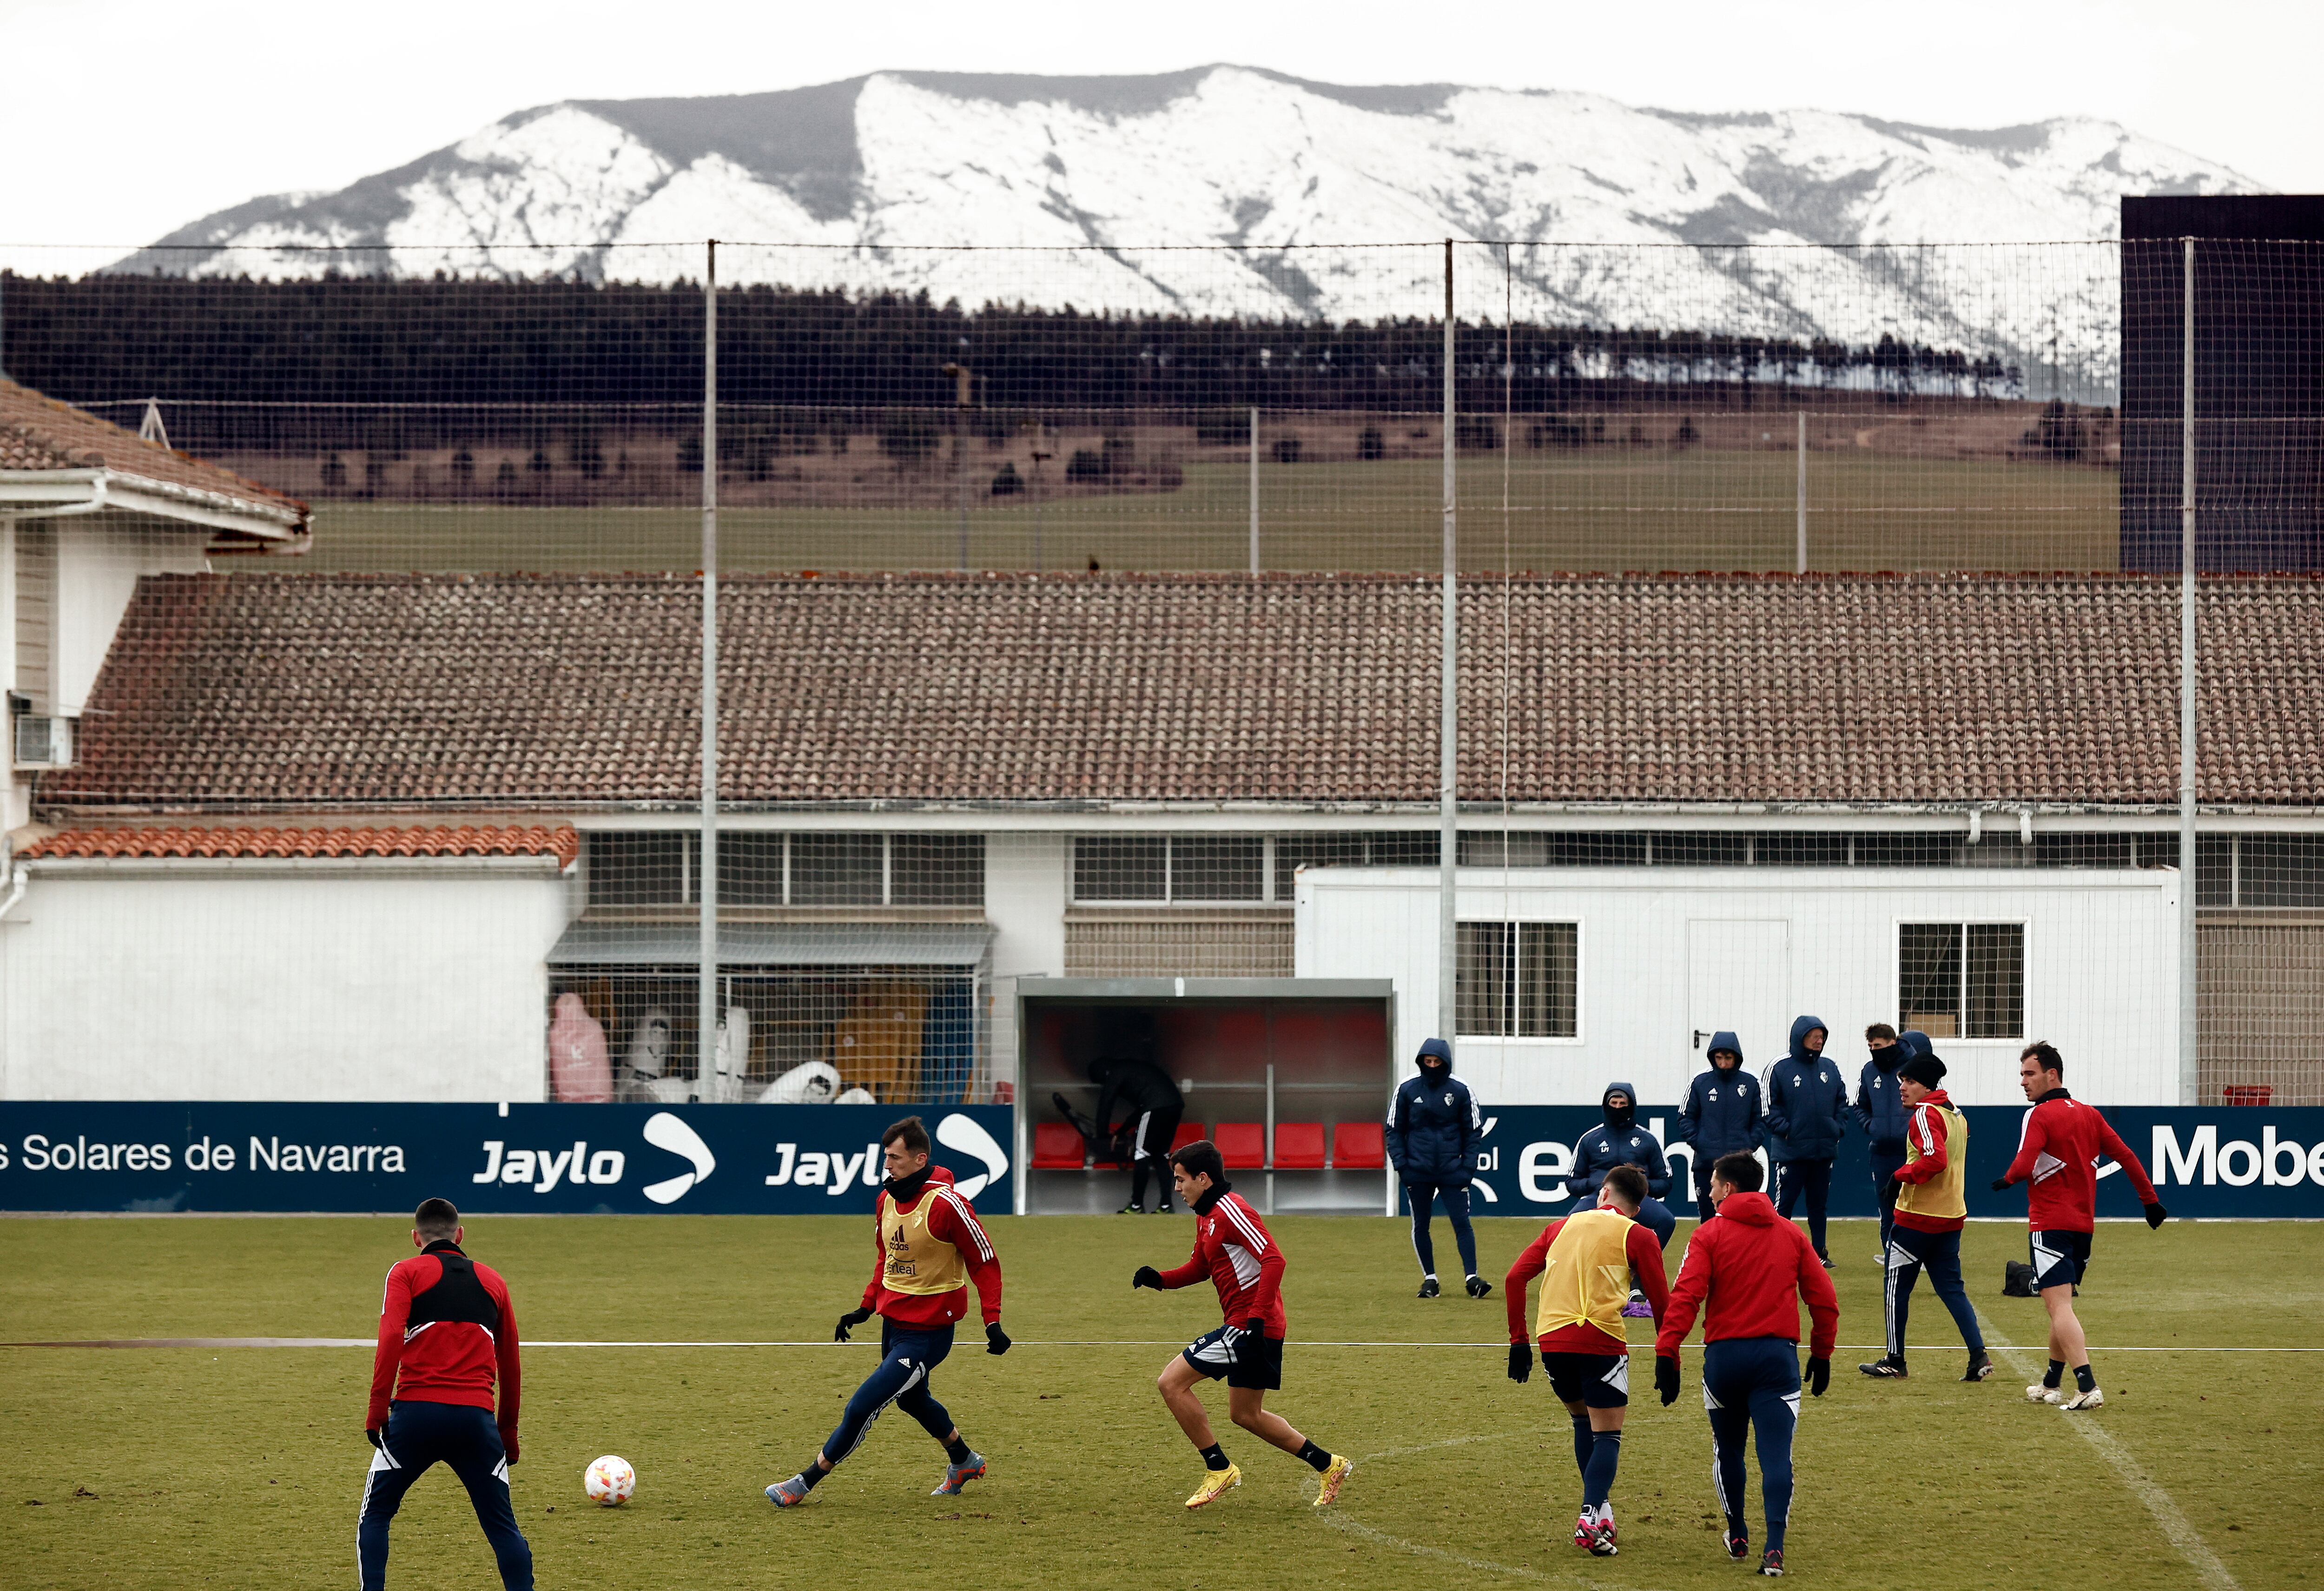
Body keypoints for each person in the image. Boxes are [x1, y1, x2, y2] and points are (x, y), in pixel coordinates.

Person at [767, 1117, 1008, 1506]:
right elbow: (887, 1257)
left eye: (895, 1158)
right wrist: (865, 1307)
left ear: (920, 1159)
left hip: (929, 1334)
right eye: (886, 1157)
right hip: (894, 1323)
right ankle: (964, 1461)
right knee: (912, 1399)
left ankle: (803, 1483)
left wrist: (992, 1321)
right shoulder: (886, 1199)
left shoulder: (948, 1205)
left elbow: (984, 1261)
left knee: (862, 1404)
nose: (888, 1165)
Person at [1131, 1138, 1353, 1511]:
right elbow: (1201, 1268)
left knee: (1170, 1383)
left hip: (1251, 1327)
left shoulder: (1231, 1211)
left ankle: (1219, 1469)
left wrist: (1255, 1317)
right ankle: (1330, 1465)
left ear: (1203, 1179)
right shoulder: (1206, 1215)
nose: (1176, 1187)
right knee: (1246, 1415)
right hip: (1253, 1325)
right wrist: (1161, 1279)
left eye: (1181, 1179)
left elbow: (1274, 1260)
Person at [1654, 1153, 1839, 1579]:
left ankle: (1737, 1531)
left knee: (1729, 1449)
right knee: (1776, 1456)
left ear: (1730, 1188)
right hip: (1777, 1359)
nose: (1708, 1190)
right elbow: (1824, 1301)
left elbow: (1686, 1297)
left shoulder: (1708, 1234)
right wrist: (1822, 1353)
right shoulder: (1792, 1234)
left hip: (1725, 1360)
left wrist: (1669, 1352)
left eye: (1714, 1184)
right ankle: (1774, 1548)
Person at [360, 1197, 532, 1591]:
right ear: (460, 1234)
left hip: (415, 1417)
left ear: (416, 1238)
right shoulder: (494, 1282)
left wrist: (376, 1411)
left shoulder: (404, 1272)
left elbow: (390, 1339)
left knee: (377, 1515)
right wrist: (508, 1433)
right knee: (502, 1526)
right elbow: (511, 1363)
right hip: (475, 1421)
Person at [1503, 1164, 1671, 1558]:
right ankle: (1589, 1513)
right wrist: (1668, 1354)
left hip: (1552, 1340)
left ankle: (1602, 1514)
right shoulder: (1640, 1235)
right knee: (1608, 1434)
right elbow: (1662, 1302)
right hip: (1601, 1340)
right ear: (1639, 1205)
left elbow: (1514, 1279)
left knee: (1583, 1422)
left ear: (1603, 1194)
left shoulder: (1559, 1227)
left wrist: (1519, 1341)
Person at [1991, 1041, 2168, 1411]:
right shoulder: (2090, 1114)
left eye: (2029, 1074)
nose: (2023, 1082)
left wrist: (2006, 1180)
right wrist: (2150, 1202)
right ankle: (2052, 1382)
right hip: (2082, 1227)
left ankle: (2086, 1385)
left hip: (2049, 1224)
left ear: (2051, 1075)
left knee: (2059, 1308)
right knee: (2061, 1305)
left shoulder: (2039, 1115)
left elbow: (2025, 1163)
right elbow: (2127, 1157)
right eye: (2022, 1074)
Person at [1856, 1050, 1992, 1383]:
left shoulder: (1924, 1114)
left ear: (1928, 1086)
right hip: (1951, 1217)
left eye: (1910, 1081)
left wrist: (1899, 1176)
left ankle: (1895, 1359)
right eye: (1902, 1080)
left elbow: (1934, 1160)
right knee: (1952, 1289)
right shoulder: (1957, 1116)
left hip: (1918, 1219)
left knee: (1895, 1289)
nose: (1902, 1087)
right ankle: (1978, 1355)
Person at [1386, 1037, 1488, 1298]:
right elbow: (1394, 1130)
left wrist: (1467, 1168)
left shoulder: (1461, 1090)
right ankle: (1430, 1280)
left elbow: (1474, 1131)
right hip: (1417, 1171)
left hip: (1453, 1170)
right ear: (1421, 1062)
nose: (1432, 1066)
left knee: (1462, 1222)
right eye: (1427, 1061)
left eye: (1437, 1061)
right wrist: (1402, 1166)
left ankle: (1472, 1278)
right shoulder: (1407, 1089)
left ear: (1446, 1063)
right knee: (1421, 1224)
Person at [1763, 1015, 1847, 1267]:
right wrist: (1788, 1131)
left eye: (1822, 1036)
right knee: (1784, 1205)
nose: (1819, 1040)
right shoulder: (1779, 1067)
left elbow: (1841, 1102)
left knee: (1818, 1206)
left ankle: (1820, 1252)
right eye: (1814, 1036)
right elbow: (1767, 1107)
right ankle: (1777, 1252)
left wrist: (1837, 1129)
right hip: (1791, 1152)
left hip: (1823, 1151)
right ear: (1801, 1037)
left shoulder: (1830, 1067)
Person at [1563, 1082, 1676, 1252]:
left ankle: (1642, 1266)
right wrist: (1594, 1183)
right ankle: (1582, 1269)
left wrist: (1640, 1185)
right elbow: (1571, 1182)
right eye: (1613, 1103)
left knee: (1667, 1221)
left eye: (1623, 1104)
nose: (1618, 1108)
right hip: (1599, 1197)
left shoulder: (1647, 1139)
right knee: (1569, 1224)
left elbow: (1665, 1181)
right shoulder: (1590, 1139)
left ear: (1632, 1106)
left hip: (1634, 1199)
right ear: (1606, 1105)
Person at [1674, 1032, 1763, 1221]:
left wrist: (1748, 1145)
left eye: (1728, 1058)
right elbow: (1684, 1117)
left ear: (1736, 1057)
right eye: (1719, 1058)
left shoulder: (1751, 1082)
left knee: (1741, 1219)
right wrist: (1700, 1143)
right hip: (1706, 1164)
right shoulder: (1699, 1081)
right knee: (1709, 1218)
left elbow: (1761, 1119)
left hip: (1739, 1168)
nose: (1723, 1063)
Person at [1089, 1051, 1185, 1215]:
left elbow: (1106, 1103)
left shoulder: (1115, 1072)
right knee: (1161, 1155)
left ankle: (1137, 1205)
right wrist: (1122, 1131)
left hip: (1155, 1108)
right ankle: (1166, 1206)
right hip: (1174, 1106)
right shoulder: (1131, 1069)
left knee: (1141, 1154)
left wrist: (1102, 1136)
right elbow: (1142, 1106)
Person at [1853, 1024, 1910, 1261]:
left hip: (1910, 1151)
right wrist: (1871, 1126)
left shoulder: (1913, 1067)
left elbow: (1933, 1101)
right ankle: (1891, 1254)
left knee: (1911, 1207)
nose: (1874, 1050)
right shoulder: (1868, 1071)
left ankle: (1915, 1255)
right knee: (1887, 1207)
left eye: (1878, 1045)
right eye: (1870, 1046)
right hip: (1881, 1152)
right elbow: (1859, 1105)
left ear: (1892, 1043)